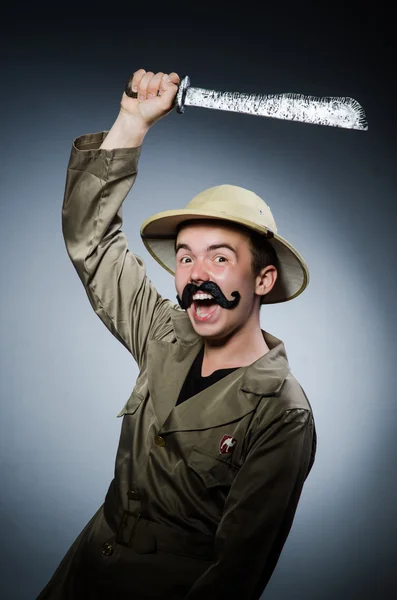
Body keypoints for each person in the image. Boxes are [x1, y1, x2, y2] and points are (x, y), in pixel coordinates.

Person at [36, 68, 317, 600]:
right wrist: (131, 122)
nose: (197, 276)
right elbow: (89, 241)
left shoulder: (283, 413)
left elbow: (237, 573)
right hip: (83, 572)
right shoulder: (165, 332)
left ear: (263, 279)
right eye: (186, 257)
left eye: (220, 257)